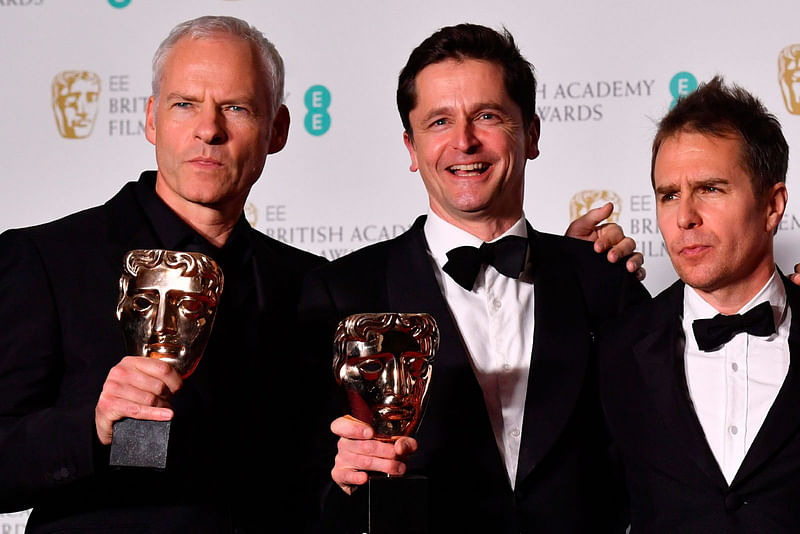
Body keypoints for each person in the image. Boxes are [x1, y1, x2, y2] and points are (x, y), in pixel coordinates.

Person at [300, 24, 649, 533]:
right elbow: (296, 490)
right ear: (411, 146)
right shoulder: (341, 294)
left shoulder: (603, 281)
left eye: (487, 116)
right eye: (439, 121)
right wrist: (342, 482)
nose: (463, 141)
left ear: (530, 134)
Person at [0, 16, 325, 533]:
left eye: (236, 107)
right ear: (151, 119)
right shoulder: (44, 259)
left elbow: (310, 480)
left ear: (277, 130)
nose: (209, 130)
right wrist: (93, 425)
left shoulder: (311, 284)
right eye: (184, 104)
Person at [596, 76, 800, 532]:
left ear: (772, 205)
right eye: (669, 195)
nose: (684, 217)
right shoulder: (617, 350)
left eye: (710, 188)